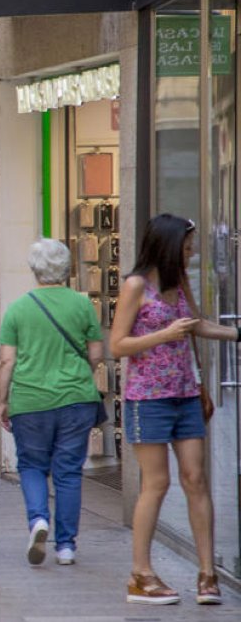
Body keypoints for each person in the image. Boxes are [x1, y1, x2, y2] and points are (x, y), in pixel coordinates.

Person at [108, 214, 228, 606]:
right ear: (168, 244)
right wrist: (161, 335)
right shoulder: (135, 285)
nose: (191, 254)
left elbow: (197, 327)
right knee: (155, 483)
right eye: (187, 247)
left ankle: (207, 574)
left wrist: (235, 333)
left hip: (186, 393)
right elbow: (117, 345)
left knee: (196, 478)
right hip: (148, 398)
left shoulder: (180, 284)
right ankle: (140, 573)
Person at [0, 239, 103, 567]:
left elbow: (6, 362)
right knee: (69, 472)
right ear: (68, 268)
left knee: (31, 465)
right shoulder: (82, 305)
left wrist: (2, 401)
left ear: (34, 269)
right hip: (77, 400)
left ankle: (38, 520)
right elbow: (97, 354)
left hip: (30, 400)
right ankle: (67, 546)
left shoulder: (17, 308)